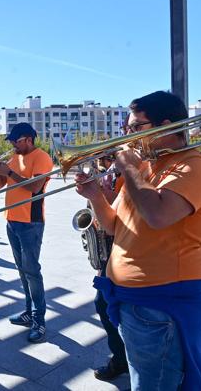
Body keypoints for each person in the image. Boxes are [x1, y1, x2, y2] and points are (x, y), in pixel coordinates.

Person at [76, 91, 201, 390]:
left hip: (164, 303)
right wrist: (95, 196)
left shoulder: (195, 165)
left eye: (135, 128)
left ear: (165, 126)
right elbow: (115, 226)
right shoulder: (145, 168)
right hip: (135, 300)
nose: (126, 136)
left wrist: (127, 165)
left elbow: (158, 215)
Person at [0, 122, 53, 343]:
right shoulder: (14, 158)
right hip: (12, 220)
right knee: (22, 270)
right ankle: (28, 311)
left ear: (27, 139)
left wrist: (9, 171)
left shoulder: (42, 157)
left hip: (31, 222)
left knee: (32, 271)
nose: (13, 146)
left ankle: (39, 320)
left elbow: (35, 187)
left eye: (16, 141)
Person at [83, 155, 128, 381]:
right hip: (108, 246)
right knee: (103, 304)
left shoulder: (126, 169)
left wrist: (96, 192)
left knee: (108, 305)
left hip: (122, 244)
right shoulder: (109, 170)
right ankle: (121, 357)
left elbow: (121, 202)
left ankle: (124, 359)